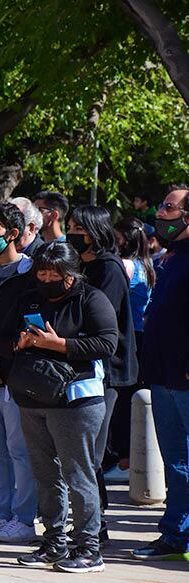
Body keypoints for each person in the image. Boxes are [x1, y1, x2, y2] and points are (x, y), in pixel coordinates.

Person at [10, 242, 118, 574]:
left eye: (53, 274)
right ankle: (53, 542)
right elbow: (6, 338)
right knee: (45, 473)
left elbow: (107, 342)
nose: (46, 279)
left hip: (77, 401)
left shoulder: (91, 298)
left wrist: (61, 345)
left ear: (70, 274)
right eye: (41, 273)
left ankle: (88, 547)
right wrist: (22, 342)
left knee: (78, 473)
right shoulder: (31, 297)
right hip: (33, 398)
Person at [66, 204, 137, 542]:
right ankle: (87, 519)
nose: (72, 234)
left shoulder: (107, 268)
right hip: (83, 369)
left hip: (105, 371)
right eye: (70, 227)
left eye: (78, 228)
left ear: (95, 231)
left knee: (91, 451)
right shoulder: (85, 265)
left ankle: (95, 525)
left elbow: (96, 318)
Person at [131, 184, 189, 561]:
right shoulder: (169, 257)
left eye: (170, 208)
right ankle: (175, 533)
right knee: (175, 459)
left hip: (184, 374)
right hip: (163, 373)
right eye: (162, 206)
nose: (161, 214)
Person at [0, 202, 38, 544]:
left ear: (14, 234)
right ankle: (2, 513)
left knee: (20, 449)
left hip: (15, 377)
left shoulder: (31, 273)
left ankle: (24, 517)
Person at [106, 217, 154, 480]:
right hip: (140, 335)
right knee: (130, 397)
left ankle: (122, 460)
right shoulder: (145, 265)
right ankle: (127, 459)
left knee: (122, 401)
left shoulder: (124, 266)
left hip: (127, 336)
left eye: (116, 236)